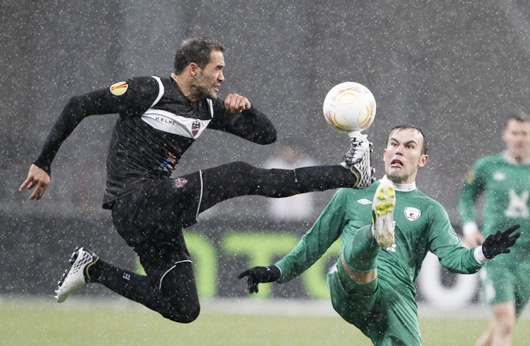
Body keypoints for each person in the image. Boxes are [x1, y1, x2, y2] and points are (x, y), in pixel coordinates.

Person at [18, 37, 375, 324]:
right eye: (217, 69)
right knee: (240, 174)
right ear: (193, 69)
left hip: (153, 215)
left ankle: (93, 269)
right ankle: (350, 173)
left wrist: (247, 110)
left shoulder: (207, 108)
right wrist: (43, 162)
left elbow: (267, 135)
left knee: (183, 309)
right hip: (135, 200)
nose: (222, 77)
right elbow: (77, 104)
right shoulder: (149, 90)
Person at [238, 124, 521, 346]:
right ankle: (376, 231)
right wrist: (277, 271)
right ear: (384, 153)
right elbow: (315, 241)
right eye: (394, 144)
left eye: (409, 146)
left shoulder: (431, 210)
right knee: (363, 251)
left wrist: (483, 252)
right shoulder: (351, 193)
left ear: (422, 160)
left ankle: (378, 230)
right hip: (351, 285)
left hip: (395, 301)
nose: (399, 150)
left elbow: (455, 258)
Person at [451, 114, 530, 346]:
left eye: (524, 134)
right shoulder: (487, 166)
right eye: (514, 133)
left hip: (527, 259)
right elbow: (466, 196)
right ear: (505, 135)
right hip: (496, 256)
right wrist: (470, 227)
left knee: (500, 328)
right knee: (505, 323)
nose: (519, 139)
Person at [264, 143, 317, 221]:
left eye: (292, 151)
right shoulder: (273, 166)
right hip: (279, 214)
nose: (290, 154)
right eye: (287, 151)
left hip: (302, 213)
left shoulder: (308, 165)